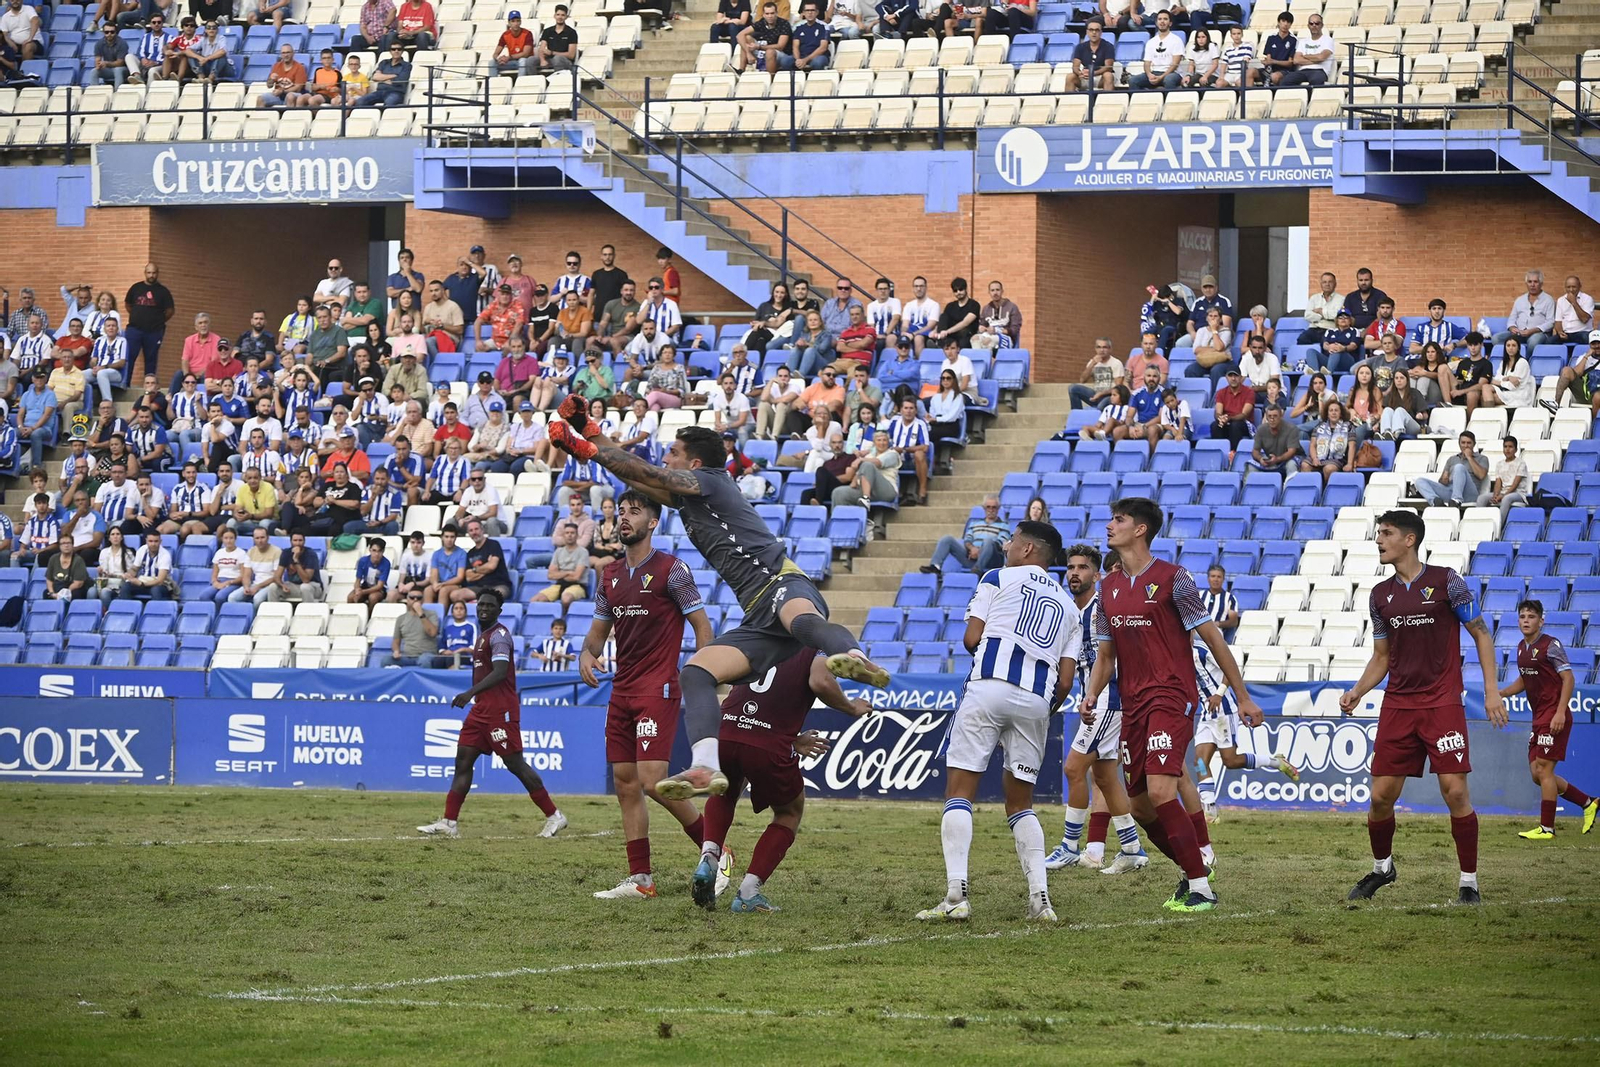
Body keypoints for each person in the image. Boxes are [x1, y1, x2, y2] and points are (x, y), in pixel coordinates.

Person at [548, 412, 890, 799]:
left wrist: (585, 450)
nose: (666, 459)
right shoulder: (687, 496)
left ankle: (854, 656)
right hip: (759, 615)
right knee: (695, 673)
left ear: (694, 464)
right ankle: (705, 767)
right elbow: (637, 476)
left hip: (780, 579)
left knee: (802, 622)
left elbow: (651, 475)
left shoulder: (711, 480)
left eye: (673, 453)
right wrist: (589, 428)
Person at [1082, 497, 1263, 912]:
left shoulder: (1174, 579)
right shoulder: (1107, 589)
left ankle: (1200, 889)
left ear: (1140, 529)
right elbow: (1106, 655)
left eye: (1119, 519)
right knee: (1139, 805)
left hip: (1172, 695)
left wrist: (1243, 696)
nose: (1109, 525)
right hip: (1132, 703)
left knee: (1164, 790)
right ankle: (1194, 866)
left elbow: (1214, 639)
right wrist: (1092, 693)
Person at [916, 521, 1078, 923]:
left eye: (1012, 541)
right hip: (1037, 701)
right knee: (1021, 804)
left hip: (989, 687)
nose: (1006, 545)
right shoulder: (1071, 608)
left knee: (960, 791)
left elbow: (972, 639)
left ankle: (956, 895)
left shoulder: (997, 576)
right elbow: (1068, 680)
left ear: (1027, 550)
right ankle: (1041, 901)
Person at [1341, 510, 1503, 905]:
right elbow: (1381, 656)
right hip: (1398, 705)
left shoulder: (1447, 581)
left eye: (1386, 533)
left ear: (1409, 539)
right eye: (1379, 533)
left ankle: (1469, 882)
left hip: (1442, 702)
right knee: (1380, 797)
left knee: (1454, 792)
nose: (1379, 540)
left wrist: (1492, 689)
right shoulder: (1380, 596)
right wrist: (1358, 690)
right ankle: (1383, 869)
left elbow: (1481, 634)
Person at [576, 492, 720, 900]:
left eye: (634, 513)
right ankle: (641, 880)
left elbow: (701, 626)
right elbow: (598, 633)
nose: (624, 519)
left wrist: (704, 673)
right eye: (621, 512)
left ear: (653, 523)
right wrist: (587, 653)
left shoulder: (672, 570)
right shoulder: (610, 575)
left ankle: (717, 852)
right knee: (625, 784)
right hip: (622, 688)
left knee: (654, 781)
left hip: (658, 687)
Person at [693, 646, 869, 914]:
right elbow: (820, 681)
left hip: (725, 728)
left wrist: (790, 738)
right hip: (765, 742)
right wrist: (850, 707)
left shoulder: (760, 633)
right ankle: (748, 893)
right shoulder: (814, 643)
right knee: (789, 811)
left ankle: (709, 855)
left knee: (725, 792)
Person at [416, 591, 568, 839]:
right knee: (463, 761)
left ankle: (555, 816)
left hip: (501, 711)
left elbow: (499, 672)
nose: (484, 608)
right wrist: (475, 698)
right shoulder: (482, 636)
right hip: (480, 711)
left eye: (490, 605)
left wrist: (469, 693)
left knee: (515, 764)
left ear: (499, 610)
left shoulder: (499, 636)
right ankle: (449, 822)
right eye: (481, 604)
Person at [1045, 545, 1148, 874]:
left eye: (1082, 567)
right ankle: (1132, 848)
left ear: (1097, 574)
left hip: (1107, 699)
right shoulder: (1073, 610)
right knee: (1103, 776)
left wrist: (1094, 694)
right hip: (1096, 698)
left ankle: (1070, 847)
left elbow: (1117, 656)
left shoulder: (1103, 607)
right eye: (1070, 568)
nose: (1074, 573)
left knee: (1073, 769)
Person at [1499, 600, 1596, 841]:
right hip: (1539, 717)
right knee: (1537, 773)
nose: (1526, 620)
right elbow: (1524, 681)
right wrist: (1498, 694)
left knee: (1543, 769)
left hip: (1554, 715)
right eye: (1522, 616)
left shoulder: (1550, 645)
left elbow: (1569, 679)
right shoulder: (1521, 647)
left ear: (1541, 621)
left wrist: (1561, 712)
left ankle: (1547, 828)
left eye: (1531, 616)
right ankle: (1588, 802)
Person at [1191, 640, 1301, 821]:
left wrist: (1219, 693)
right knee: (1199, 761)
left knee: (1231, 761)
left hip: (1224, 710)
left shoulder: (1201, 649)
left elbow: (1230, 668)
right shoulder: (1176, 652)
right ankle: (1210, 811)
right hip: (1206, 712)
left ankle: (1275, 761)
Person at [922, 494, 1008, 574]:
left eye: (994, 507)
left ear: (998, 508)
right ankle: (935, 567)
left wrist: (980, 551)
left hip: (992, 560)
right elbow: (967, 539)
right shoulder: (974, 524)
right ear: (984, 508)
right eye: (988, 507)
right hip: (972, 558)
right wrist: (972, 548)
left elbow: (999, 544)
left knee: (989, 541)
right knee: (947, 539)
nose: (991, 510)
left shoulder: (1004, 525)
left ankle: (978, 569)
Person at [1416, 430, 1487, 507]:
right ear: (1459, 444)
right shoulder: (1452, 459)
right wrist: (1444, 480)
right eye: (1463, 443)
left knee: (1459, 467)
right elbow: (1442, 480)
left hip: (1469, 493)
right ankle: (1435, 501)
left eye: (1469, 443)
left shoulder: (1482, 458)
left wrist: (1469, 457)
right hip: (1450, 491)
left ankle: (1457, 500)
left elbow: (1481, 475)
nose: (1466, 445)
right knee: (1419, 481)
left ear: (1474, 444)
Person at [1494, 269, 1555, 350]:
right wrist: (1512, 328)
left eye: (1535, 282)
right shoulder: (1520, 300)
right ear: (1526, 284)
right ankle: (1510, 360)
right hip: (1520, 333)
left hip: (1539, 333)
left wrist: (1533, 330)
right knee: (1496, 338)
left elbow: (1551, 322)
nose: (1532, 285)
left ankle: (1526, 361)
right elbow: (1512, 318)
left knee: (1533, 341)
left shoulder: (1548, 300)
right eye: (1530, 282)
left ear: (1541, 284)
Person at [532, 521, 589, 609]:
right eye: (567, 533)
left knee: (566, 598)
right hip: (559, 585)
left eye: (572, 533)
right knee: (535, 600)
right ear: (563, 535)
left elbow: (576, 577)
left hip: (577, 585)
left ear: (577, 535)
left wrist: (559, 574)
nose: (569, 535)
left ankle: (563, 620)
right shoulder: (558, 552)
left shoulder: (583, 552)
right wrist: (568, 573)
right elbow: (550, 575)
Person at [1476, 435, 1529, 517]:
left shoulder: (1521, 463)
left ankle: (1499, 524)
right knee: (1481, 498)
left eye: (1510, 447)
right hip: (1502, 492)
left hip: (1517, 493)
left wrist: (1503, 495)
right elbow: (1498, 482)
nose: (1507, 449)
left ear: (1516, 450)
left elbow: (1515, 484)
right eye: (1505, 447)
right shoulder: (1499, 464)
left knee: (1506, 499)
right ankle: (1480, 521)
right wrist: (1496, 495)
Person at [122, 530, 173, 601]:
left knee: (155, 590)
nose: (153, 544)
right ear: (146, 541)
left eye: (156, 541)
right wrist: (129, 575)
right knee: (126, 586)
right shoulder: (142, 550)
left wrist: (142, 584)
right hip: (143, 581)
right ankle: (127, 609)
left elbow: (160, 581)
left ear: (160, 542)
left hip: (161, 585)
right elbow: (135, 569)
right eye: (150, 541)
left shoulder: (165, 555)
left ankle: (155, 611)